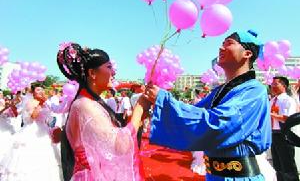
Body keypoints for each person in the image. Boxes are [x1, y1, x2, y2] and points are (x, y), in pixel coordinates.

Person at [143, 30, 272, 181]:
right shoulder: (219, 91)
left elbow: (219, 123)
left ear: (247, 54)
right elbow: (194, 113)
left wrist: (163, 100)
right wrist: (157, 99)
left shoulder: (254, 90)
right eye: (222, 44)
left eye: (229, 43)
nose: (221, 48)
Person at [57, 43, 149, 181]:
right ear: (92, 73)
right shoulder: (84, 105)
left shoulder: (91, 102)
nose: (114, 72)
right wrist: (139, 108)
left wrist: (141, 114)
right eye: (109, 67)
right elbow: (121, 146)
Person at [0, 82, 62, 181]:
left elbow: (49, 116)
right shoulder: (31, 102)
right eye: (38, 90)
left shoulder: (45, 102)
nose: (40, 91)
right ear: (33, 92)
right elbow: (32, 117)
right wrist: (40, 104)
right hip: (33, 130)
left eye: (41, 89)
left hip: (44, 130)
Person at [270, 76, 299, 181]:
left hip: (284, 135)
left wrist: (270, 114)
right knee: (278, 166)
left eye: (275, 84)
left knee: (288, 166)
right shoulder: (272, 100)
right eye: (272, 84)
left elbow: (288, 119)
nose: (272, 86)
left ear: (284, 86)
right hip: (273, 135)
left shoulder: (288, 100)